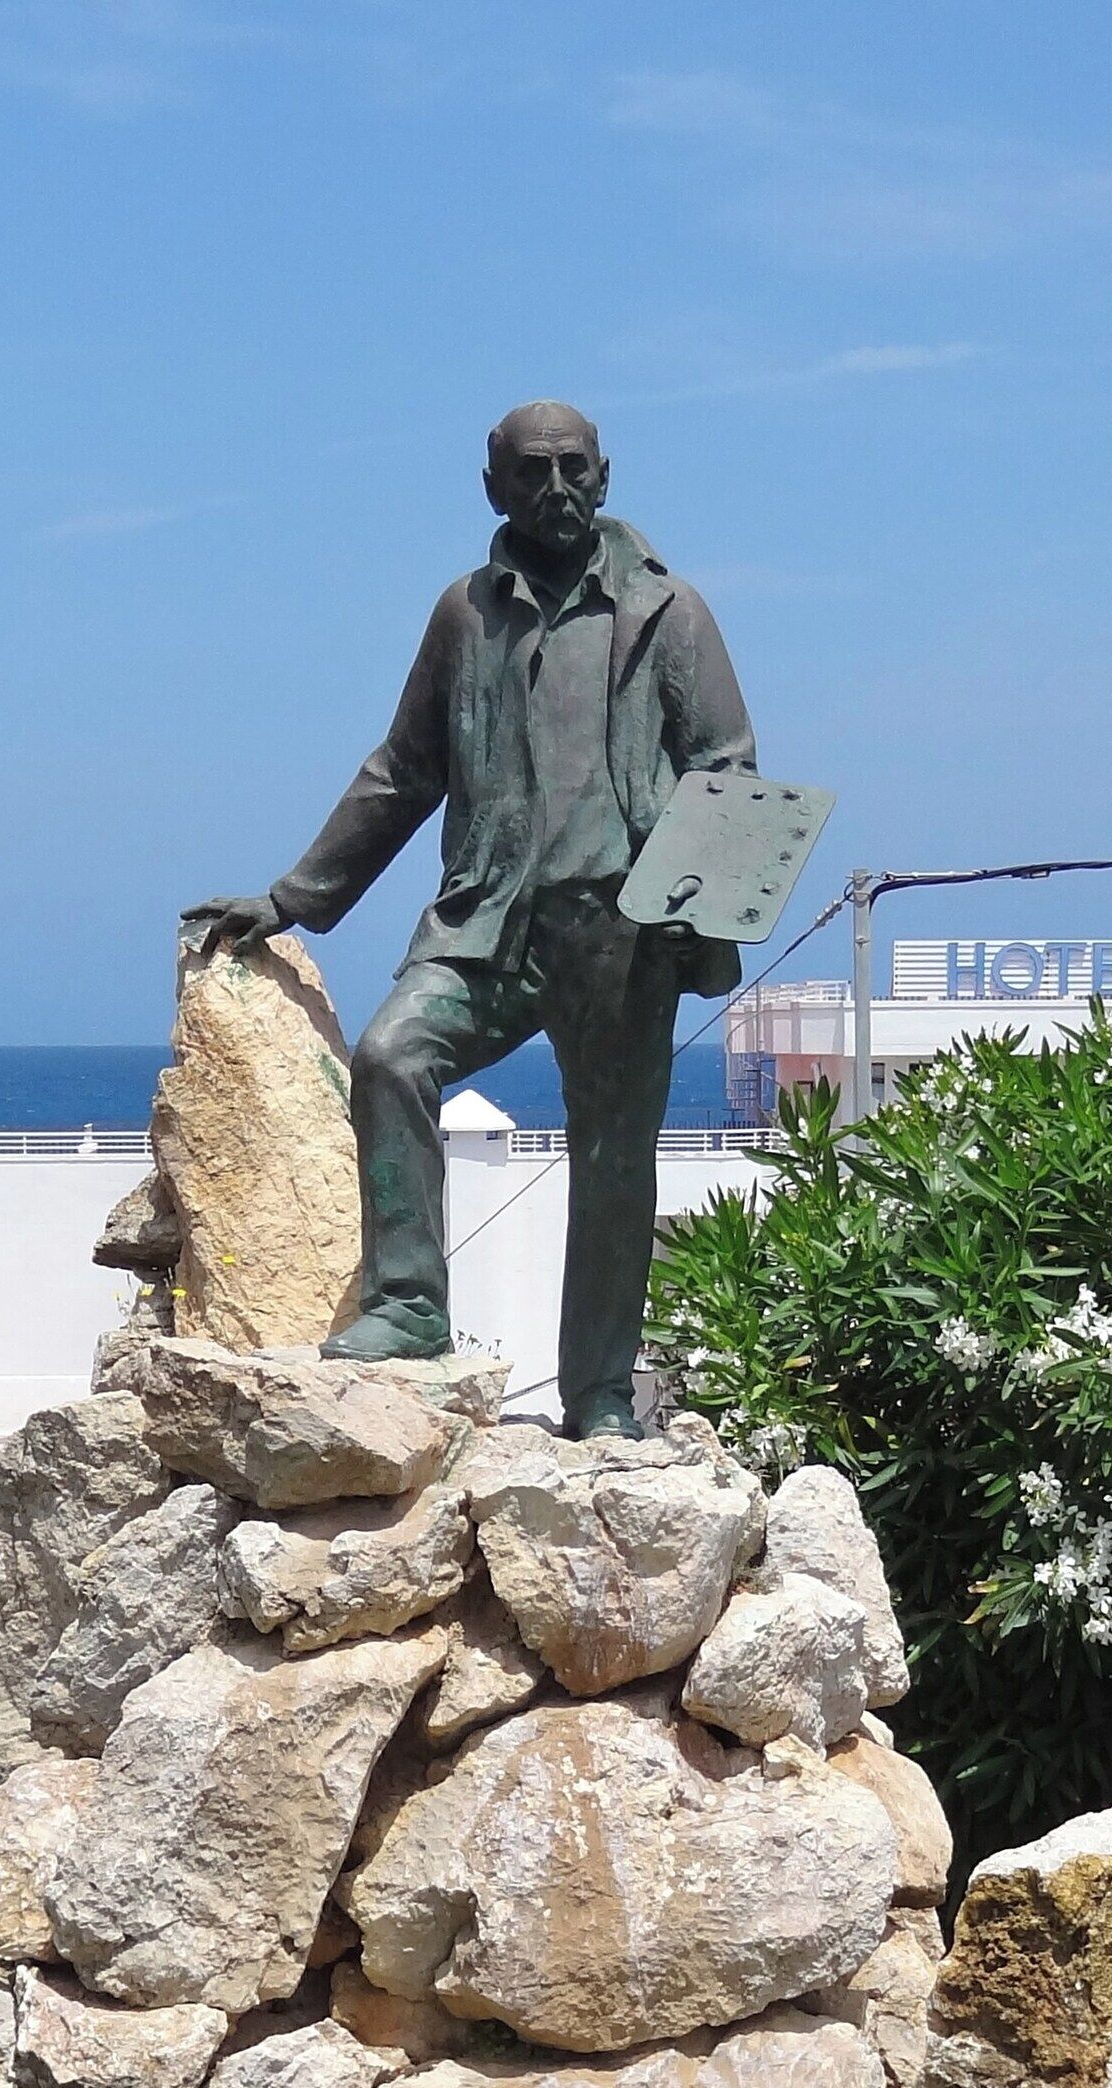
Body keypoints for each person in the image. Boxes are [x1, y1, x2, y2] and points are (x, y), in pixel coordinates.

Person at [185, 400, 753, 1439]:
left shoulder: (669, 613)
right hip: (487, 924)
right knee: (392, 1053)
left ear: (607, 474)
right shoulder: (465, 615)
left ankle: (600, 1396)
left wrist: (695, 908)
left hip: (623, 937)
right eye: (532, 472)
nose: (557, 488)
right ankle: (408, 1304)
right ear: (494, 488)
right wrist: (293, 898)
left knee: (614, 1162)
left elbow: (726, 770)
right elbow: (403, 772)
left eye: (574, 467)